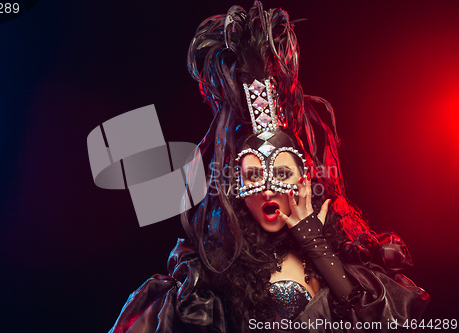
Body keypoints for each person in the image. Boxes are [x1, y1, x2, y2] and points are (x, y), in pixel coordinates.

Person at [108, 2, 430, 332]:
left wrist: (317, 247)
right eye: (252, 175)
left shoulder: (349, 259)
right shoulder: (209, 276)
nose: (267, 187)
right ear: (236, 190)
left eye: (282, 173)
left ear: (305, 181)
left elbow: (385, 324)